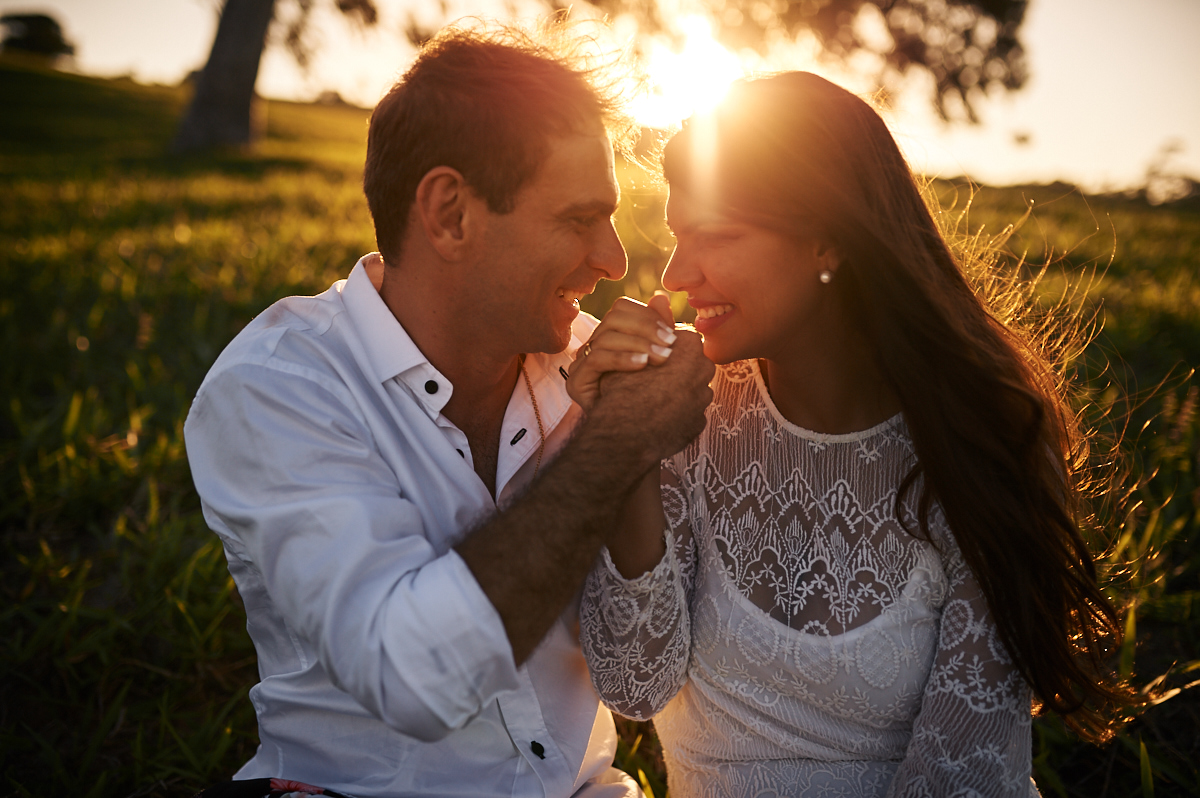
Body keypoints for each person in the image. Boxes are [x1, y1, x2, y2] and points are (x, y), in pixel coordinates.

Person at [183, 23, 715, 798]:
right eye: (578, 219)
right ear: (450, 213)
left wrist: (631, 440)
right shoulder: (278, 388)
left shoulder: (598, 367)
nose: (614, 260)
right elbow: (413, 677)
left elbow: (643, 679)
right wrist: (615, 443)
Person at [569, 72, 1133, 797]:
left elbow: (961, 782)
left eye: (717, 235)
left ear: (827, 242)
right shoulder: (690, 407)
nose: (679, 274)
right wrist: (630, 441)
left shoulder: (986, 441)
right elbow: (635, 685)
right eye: (680, 237)